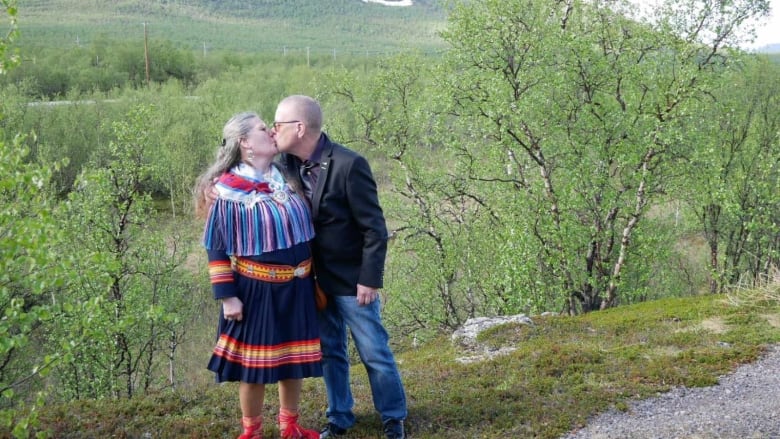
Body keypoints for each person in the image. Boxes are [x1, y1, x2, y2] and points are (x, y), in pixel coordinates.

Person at [272, 95, 407, 439]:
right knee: (330, 352)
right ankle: (340, 418)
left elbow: (374, 228)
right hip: (311, 281)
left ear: (299, 128)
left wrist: (369, 279)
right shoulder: (282, 165)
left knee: (373, 351)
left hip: (351, 281)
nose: (273, 131)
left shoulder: (349, 164)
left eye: (278, 124)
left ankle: (393, 417)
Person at [194, 111, 322, 439]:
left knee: (292, 361)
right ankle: (251, 432)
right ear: (246, 142)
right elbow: (216, 245)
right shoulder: (227, 190)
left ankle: (289, 426)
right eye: (265, 129)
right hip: (256, 290)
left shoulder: (286, 176)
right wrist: (227, 296)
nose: (272, 132)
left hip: (298, 285)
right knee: (254, 369)